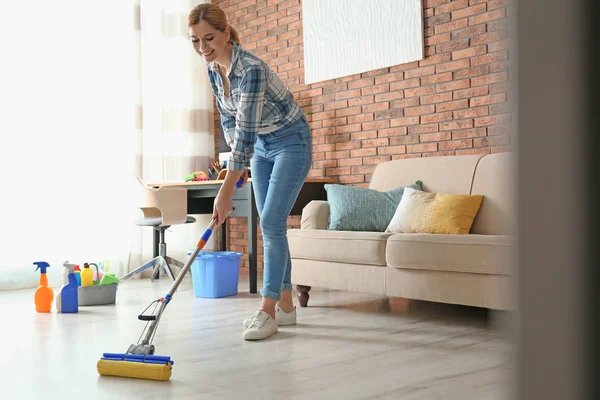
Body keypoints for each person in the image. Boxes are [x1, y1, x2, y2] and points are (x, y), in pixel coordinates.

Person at [188, 4, 312, 341]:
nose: (203, 48)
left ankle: (267, 311)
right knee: (271, 225)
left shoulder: (252, 69)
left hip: (291, 141)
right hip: (259, 146)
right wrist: (235, 170)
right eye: (196, 41)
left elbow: (244, 130)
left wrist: (226, 190)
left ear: (226, 33)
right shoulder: (214, 70)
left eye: (209, 38)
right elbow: (230, 123)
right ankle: (286, 306)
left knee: (271, 222)